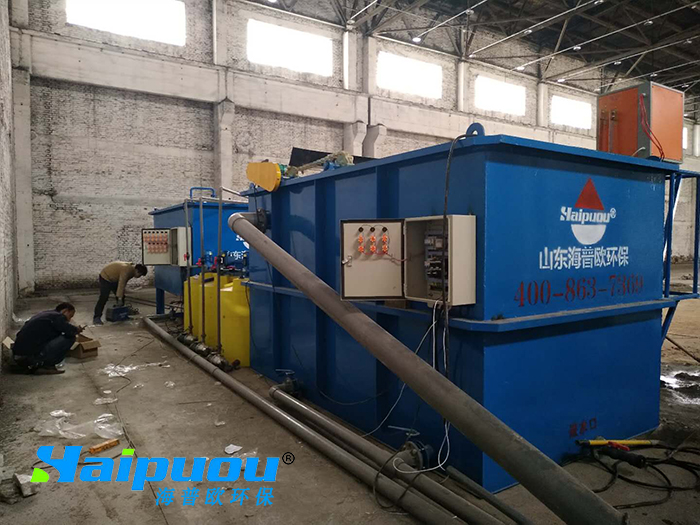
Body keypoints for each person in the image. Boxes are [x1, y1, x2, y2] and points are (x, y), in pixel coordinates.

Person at [12, 303, 83, 375]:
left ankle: (39, 364)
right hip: (28, 357)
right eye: (70, 316)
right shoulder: (58, 317)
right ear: (65, 311)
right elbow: (69, 330)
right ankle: (46, 365)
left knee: (59, 337)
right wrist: (77, 329)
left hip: (18, 356)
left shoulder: (48, 314)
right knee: (70, 338)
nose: (69, 320)